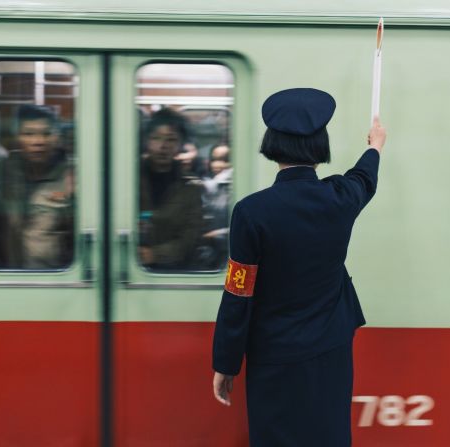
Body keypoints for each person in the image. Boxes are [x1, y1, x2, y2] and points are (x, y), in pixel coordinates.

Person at [211, 87, 387, 446]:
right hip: (331, 352)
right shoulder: (341, 197)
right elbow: (364, 177)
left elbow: (237, 294)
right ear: (320, 146)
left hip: (274, 356)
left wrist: (226, 363)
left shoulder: (251, 212)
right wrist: (375, 145)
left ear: (272, 143)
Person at [0, 104, 75, 269]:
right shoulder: (3, 170)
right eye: (28, 134)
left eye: (47, 134)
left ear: (57, 137)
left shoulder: (71, 175)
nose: (38, 142)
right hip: (6, 275)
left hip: (56, 278)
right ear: (17, 137)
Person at [138, 108, 204, 270]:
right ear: (146, 141)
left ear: (180, 145)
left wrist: (154, 254)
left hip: (173, 272)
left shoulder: (191, 188)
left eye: (171, 140)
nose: (163, 146)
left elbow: (190, 238)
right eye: (156, 138)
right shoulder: (128, 179)